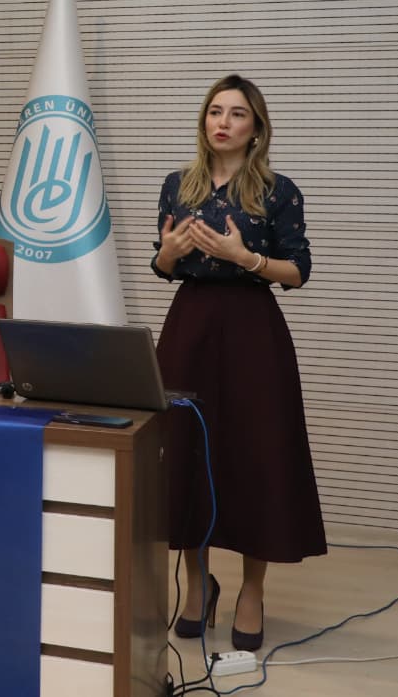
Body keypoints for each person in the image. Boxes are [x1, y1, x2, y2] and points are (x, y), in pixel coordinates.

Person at [151, 73, 325, 653]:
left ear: (256, 129)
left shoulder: (278, 191)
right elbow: (164, 266)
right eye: (214, 111)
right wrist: (167, 254)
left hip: (253, 330)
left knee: (257, 456)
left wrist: (245, 257)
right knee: (186, 452)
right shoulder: (178, 185)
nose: (222, 122)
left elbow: (297, 271)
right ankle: (198, 582)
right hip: (190, 327)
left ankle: (253, 590)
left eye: (237, 114)